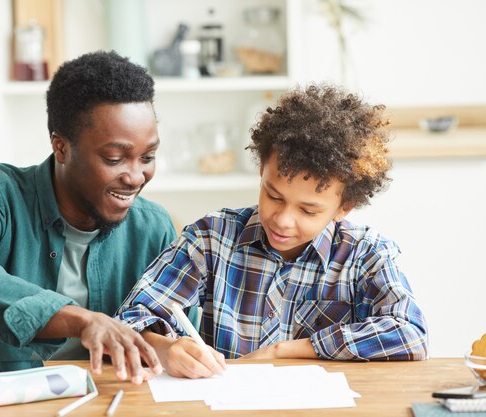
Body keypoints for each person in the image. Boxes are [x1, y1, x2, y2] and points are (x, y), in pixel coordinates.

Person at [116, 83, 429, 378]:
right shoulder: (213, 238)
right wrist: (166, 348)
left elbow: (410, 335)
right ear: (262, 171)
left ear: (343, 208)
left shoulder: (364, 255)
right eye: (273, 195)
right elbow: (131, 318)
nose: (282, 220)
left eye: (308, 210)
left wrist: (287, 351)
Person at [0, 51, 176, 383]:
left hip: (102, 398)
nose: (136, 176)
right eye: (114, 158)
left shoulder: (153, 228)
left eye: (148, 156)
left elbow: (168, 326)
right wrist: (81, 321)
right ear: (61, 147)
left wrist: (170, 346)